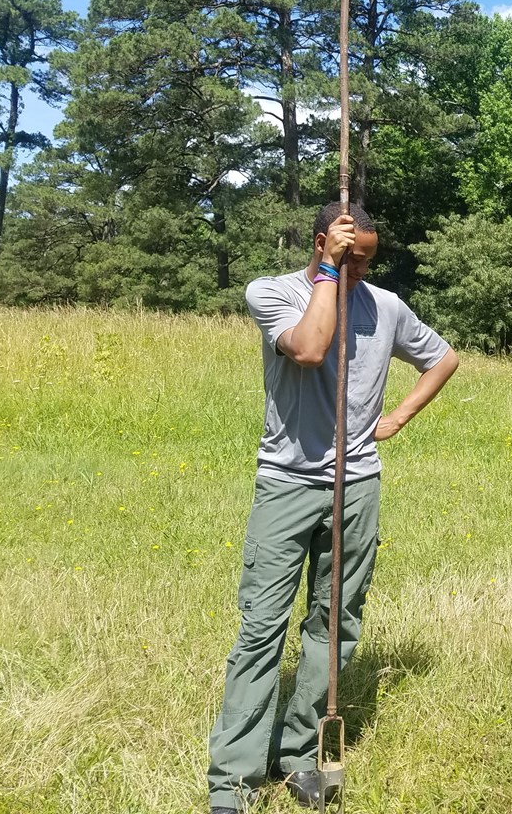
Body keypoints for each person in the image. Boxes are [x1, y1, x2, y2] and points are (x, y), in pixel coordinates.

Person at [207, 202, 459, 813]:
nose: (361, 272)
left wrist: (397, 416)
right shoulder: (271, 292)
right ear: (323, 244)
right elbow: (311, 349)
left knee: (334, 623)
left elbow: (443, 357)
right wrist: (328, 273)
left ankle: (297, 754)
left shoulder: (386, 307)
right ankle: (234, 777)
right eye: (351, 258)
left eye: (368, 261)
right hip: (287, 483)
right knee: (262, 628)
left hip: (357, 485)